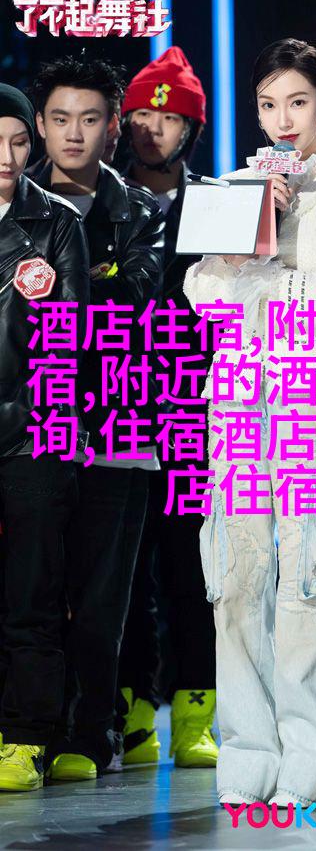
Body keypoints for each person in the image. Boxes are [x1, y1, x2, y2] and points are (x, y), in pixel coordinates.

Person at [183, 37, 316, 807]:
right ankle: (247, 753)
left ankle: (308, 753)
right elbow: (201, 293)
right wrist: (252, 240)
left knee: (310, 577)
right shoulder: (235, 186)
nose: (282, 119)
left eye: (297, 102)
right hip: (239, 399)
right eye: (268, 104)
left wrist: (265, 280)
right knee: (236, 579)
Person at [28, 56, 165, 781]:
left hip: (120, 419)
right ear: (39, 125)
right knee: (32, 587)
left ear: (114, 127)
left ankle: (92, 730)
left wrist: (62, 294)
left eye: (89, 119)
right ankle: (32, 726)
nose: (73, 134)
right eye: (60, 119)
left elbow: (138, 305)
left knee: (105, 593)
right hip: (32, 421)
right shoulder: (13, 205)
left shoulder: (142, 213)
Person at [116, 46, 218, 768]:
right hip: (114, 403)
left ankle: (195, 716)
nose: (154, 129)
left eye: (170, 117)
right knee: (119, 570)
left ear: (193, 128)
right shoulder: (100, 200)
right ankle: (129, 714)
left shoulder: (221, 202)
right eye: (142, 117)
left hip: (195, 408)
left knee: (193, 568)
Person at [0, 84, 89, 792]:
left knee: (32, 593)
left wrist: (49, 433)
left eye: (17, 141)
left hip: (29, 432)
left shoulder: (55, 223)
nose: (7, 157)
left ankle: (26, 735)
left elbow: (71, 340)